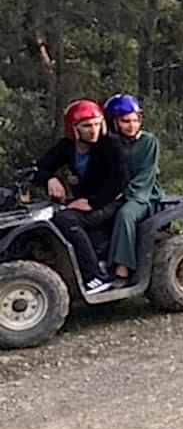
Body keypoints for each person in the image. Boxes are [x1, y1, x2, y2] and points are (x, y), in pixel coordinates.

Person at [32, 99, 127, 294]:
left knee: (65, 219)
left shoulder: (110, 144)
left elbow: (120, 179)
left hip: (110, 200)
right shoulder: (67, 146)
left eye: (96, 124)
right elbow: (40, 167)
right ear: (74, 128)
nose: (93, 130)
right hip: (83, 200)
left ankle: (95, 276)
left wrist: (93, 202)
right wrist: (50, 178)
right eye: (86, 126)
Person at [104, 94, 163, 287]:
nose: (131, 125)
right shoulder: (110, 143)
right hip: (114, 192)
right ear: (114, 122)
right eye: (125, 121)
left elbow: (146, 175)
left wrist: (124, 193)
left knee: (125, 215)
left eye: (135, 120)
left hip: (143, 195)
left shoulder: (149, 142)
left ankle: (123, 268)